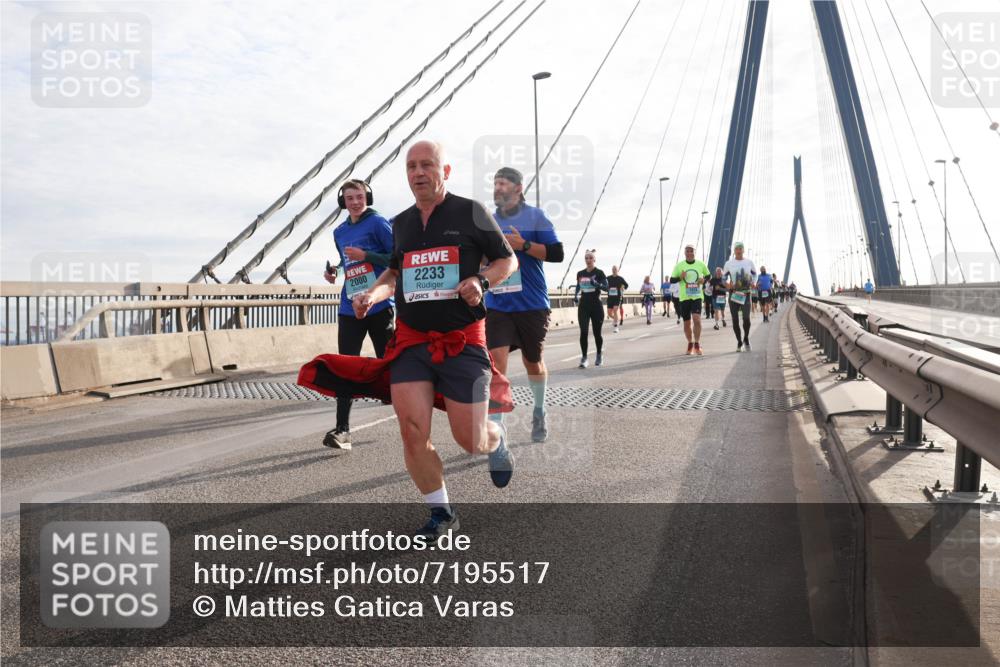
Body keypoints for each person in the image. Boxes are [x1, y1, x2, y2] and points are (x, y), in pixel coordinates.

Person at [300, 140, 517, 540]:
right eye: (411, 166)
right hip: (412, 341)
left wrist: (481, 281)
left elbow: (508, 260)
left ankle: (497, 437)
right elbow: (394, 275)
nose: (418, 173)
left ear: (445, 171)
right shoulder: (400, 223)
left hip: (462, 339)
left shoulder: (470, 212)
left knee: (470, 439)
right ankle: (442, 513)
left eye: (427, 165)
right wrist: (372, 295)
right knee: (412, 428)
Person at [485, 167, 564, 444]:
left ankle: (539, 410)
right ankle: (496, 427)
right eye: (495, 183)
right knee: (496, 363)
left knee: (534, 362)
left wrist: (524, 244)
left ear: (518, 188)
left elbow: (557, 253)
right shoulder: (488, 221)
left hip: (531, 304)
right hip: (497, 303)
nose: (497, 188)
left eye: (503, 183)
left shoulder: (536, 216)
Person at [321, 180, 395, 450]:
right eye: (349, 198)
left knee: (390, 363)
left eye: (360, 197)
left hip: (378, 304)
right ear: (343, 202)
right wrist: (335, 272)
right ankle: (342, 431)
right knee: (345, 367)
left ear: (368, 197)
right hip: (350, 305)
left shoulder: (378, 223)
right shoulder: (339, 231)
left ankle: (413, 409)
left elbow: (396, 258)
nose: (355, 202)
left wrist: (367, 255)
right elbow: (346, 261)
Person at [669, 243, 710, 355]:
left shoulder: (700, 264)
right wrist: (680, 277)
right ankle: (690, 343)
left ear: (694, 253)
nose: (689, 253)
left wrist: (704, 280)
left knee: (696, 319)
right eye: (687, 251)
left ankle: (697, 344)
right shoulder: (679, 266)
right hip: (684, 297)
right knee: (687, 324)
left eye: (691, 251)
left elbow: (708, 275)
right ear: (684, 253)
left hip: (697, 296)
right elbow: (672, 280)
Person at [574, 250, 608, 368]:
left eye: (590, 258)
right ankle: (584, 358)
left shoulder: (599, 273)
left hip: (596, 306)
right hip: (583, 306)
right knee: (583, 332)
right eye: (586, 258)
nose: (588, 260)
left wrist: (597, 284)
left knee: (597, 333)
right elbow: (578, 286)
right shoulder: (580, 273)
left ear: (594, 260)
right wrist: (576, 295)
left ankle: (599, 354)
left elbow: (607, 288)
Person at [723, 241, 757, 352]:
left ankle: (746, 338)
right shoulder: (728, 263)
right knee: (735, 320)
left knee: (746, 318)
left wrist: (754, 282)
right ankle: (739, 342)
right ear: (734, 250)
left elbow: (755, 274)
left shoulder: (749, 262)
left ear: (743, 250)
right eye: (737, 248)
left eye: (740, 248)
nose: (739, 250)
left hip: (746, 294)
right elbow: (723, 278)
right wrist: (728, 285)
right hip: (734, 294)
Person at [606, 266, 629, 333]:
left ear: (617, 270)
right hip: (610, 297)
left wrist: (622, 287)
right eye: (613, 269)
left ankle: (616, 327)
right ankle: (615, 319)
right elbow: (603, 283)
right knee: (609, 313)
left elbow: (626, 285)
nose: (614, 270)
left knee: (615, 310)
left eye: (615, 269)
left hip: (617, 297)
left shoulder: (620, 278)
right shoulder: (608, 278)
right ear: (611, 270)